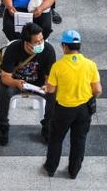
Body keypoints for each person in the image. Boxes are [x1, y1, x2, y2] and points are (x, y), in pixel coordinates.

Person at [44, 30, 102, 179]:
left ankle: (51, 168)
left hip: (63, 109)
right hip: (84, 110)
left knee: (56, 139)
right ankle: (73, 171)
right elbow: (97, 90)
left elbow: (50, 89)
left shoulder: (58, 66)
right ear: (79, 46)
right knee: (79, 140)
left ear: (64, 46)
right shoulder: (91, 65)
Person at [0, 23, 55, 146]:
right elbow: (5, 77)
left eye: (42, 40)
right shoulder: (13, 49)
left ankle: (47, 127)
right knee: (2, 92)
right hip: (16, 83)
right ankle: (3, 126)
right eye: (36, 42)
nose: (40, 44)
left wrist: (46, 85)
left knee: (54, 94)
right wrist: (16, 82)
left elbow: (50, 78)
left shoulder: (48, 50)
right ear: (27, 42)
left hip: (38, 85)